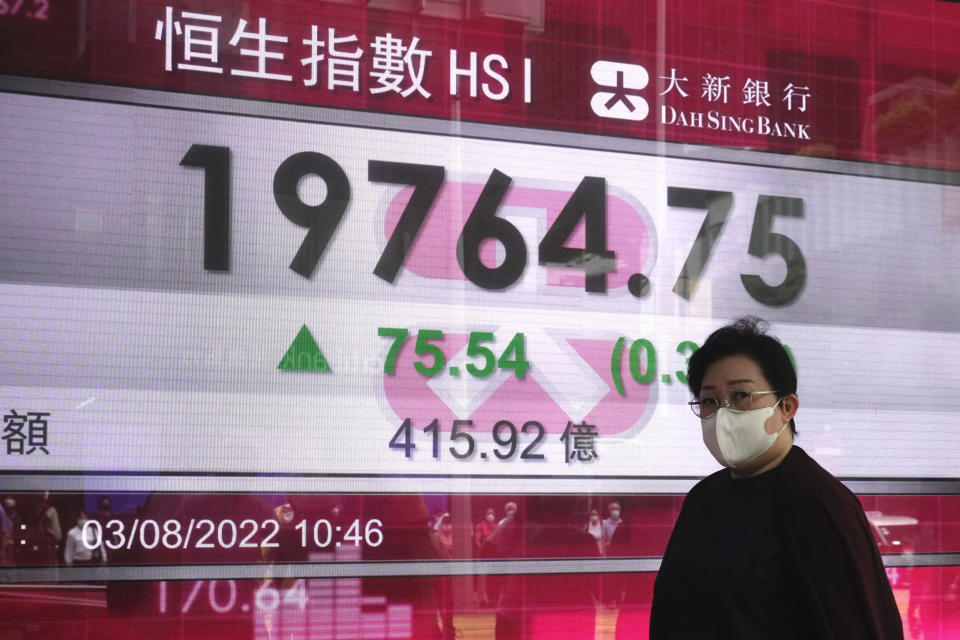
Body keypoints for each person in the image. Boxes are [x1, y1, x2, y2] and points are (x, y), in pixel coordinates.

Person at [650, 317, 903, 639]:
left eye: (741, 395)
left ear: (786, 407)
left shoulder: (818, 503)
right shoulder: (704, 497)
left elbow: (853, 622)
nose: (723, 413)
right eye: (710, 401)